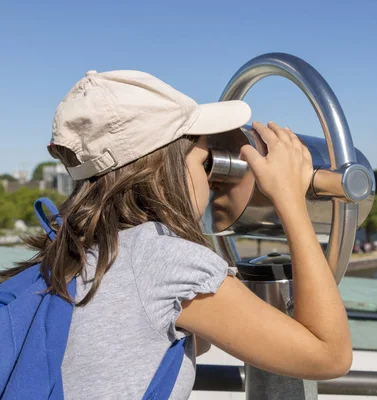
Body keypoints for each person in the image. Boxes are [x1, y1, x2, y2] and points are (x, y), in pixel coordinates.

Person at [0, 70, 352, 399]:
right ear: (162, 169)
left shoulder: (78, 252)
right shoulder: (160, 261)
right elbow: (329, 355)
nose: (213, 181)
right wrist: (291, 199)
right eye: (205, 163)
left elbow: (196, 342)